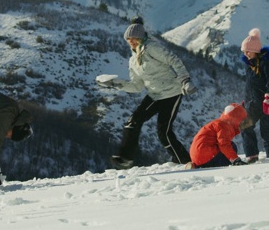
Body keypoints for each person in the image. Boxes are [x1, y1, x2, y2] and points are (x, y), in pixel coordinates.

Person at [97, 17, 197, 169]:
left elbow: (174, 60)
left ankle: (185, 162)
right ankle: (126, 158)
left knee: (164, 133)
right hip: (154, 94)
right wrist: (115, 84)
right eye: (129, 38)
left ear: (142, 37)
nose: (131, 41)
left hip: (171, 93)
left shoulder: (152, 48)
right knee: (132, 122)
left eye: (134, 38)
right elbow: (137, 86)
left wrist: (185, 80)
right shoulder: (133, 60)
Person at [239, 28, 269, 163]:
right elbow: (251, 84)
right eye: (244, 51)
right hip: (253, 103)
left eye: (248, 51)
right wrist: (246, 100)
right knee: (245, 126)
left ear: (256, 51)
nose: (246, 54)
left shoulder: (266, 62)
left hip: (268, 103)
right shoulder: (249, 65)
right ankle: (251, 155)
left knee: (266, 130)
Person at [186, 103, 253, 169]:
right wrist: (235, 160)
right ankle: (209, 164)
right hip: (208, 156)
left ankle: (198, 165)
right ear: (237, 119)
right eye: (242, 120)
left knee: (226, 148)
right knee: (232, 146)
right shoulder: (224, 126)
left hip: (197, 156)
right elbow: (224, 144)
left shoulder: (218, 123)